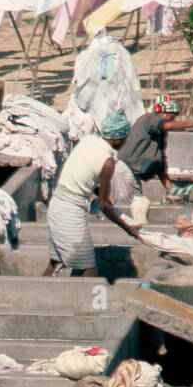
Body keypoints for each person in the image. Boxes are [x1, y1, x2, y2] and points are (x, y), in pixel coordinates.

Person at [44, 109, 142, 277]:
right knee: (89, 268)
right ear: (117, 139)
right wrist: (127, 228)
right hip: (69, 212)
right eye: (125, 138)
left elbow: (85, 175)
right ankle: (85, 303)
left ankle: (42, 298)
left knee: (56, 262)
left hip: (56, 204)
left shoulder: (89, 140)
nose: (126, 141)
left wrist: (102, 197)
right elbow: (104, 205)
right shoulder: (108, 162)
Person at [118, 95, 193, 193]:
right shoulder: (150, 119)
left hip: (133, 175)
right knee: (128, 204)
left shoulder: (158, 136)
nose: (173, 119)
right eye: (172, 116)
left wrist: (170, 190)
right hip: (125, 173)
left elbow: (160, 165)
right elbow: (167, 125)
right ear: (162, 112)